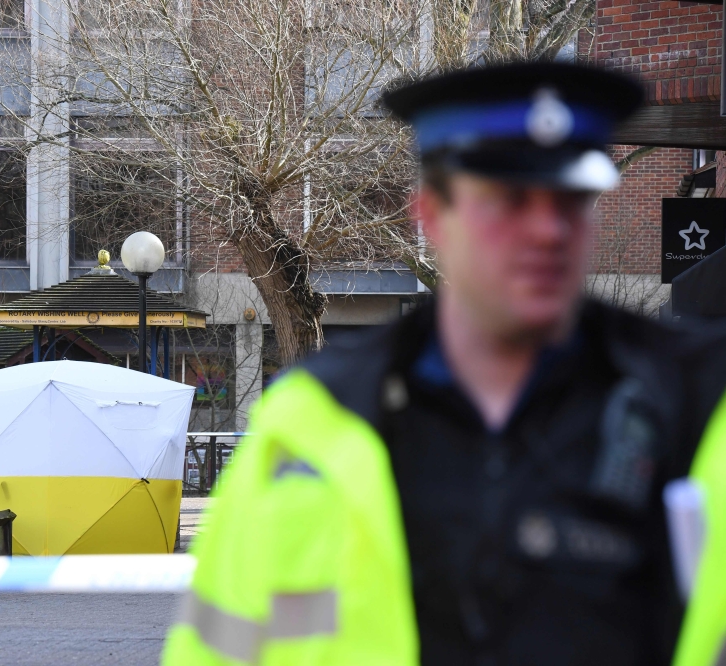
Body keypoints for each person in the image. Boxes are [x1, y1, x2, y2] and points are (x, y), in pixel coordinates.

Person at [161, 61, 726, 666]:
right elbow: (220, 649)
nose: (548, 229)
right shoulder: (313, 418)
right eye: (510, 199)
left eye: (572, 198)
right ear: (431, 215)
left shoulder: (698, 405)